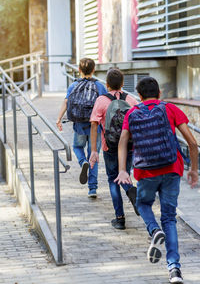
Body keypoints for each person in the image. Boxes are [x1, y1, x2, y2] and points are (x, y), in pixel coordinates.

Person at [115, 76, 199, 283]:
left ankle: (154, 230)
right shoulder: (169, 108)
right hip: (172, 169)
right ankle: (174, 270)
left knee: (143, 204)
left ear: (139, 96)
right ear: (159, 93)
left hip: (146, 172)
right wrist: (194, 169)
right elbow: (192, 142)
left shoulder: (132, 113)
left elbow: (122, 142)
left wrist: (122, 170)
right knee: (169, 217)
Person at [89, 68, 139, 230]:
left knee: (113, 179)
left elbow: (94, 125)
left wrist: (94, 151)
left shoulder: (102, 100)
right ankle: (131, 189)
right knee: (124, 174)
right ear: (123, 84)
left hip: (108, 146)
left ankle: (120, 218)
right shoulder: (131, 100)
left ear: (107, 84)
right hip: (129, 145)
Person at [56, 58, 107, 198]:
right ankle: (92, 189)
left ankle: (82, 162)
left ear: (79, 70)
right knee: (93, 155)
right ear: (93, 69)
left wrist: (59, 118)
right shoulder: (100, 86)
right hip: (94, 127)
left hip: (79, 125)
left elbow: (66, 102)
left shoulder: (73, 86)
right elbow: (105, 106)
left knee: (77, 147)